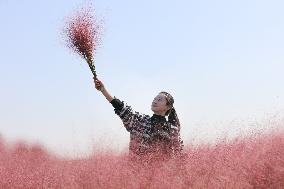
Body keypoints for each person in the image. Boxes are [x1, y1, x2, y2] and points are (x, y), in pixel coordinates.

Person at [94, 78, 184, 162]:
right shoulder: (141, 121)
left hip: (163, 175)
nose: (155, 101)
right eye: (155, 99)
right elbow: (121, 108)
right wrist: (103, 90)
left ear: (168, 107)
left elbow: (178, 153)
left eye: (159, 99)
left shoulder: (172, 129)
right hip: (138, 172)